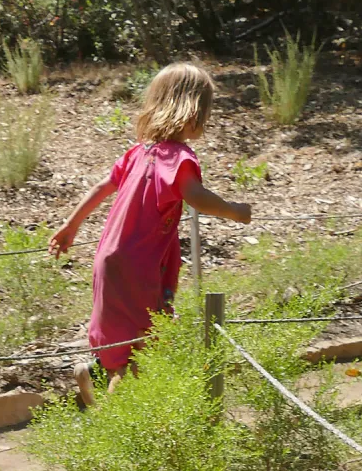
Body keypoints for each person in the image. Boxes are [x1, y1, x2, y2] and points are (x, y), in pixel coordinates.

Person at [48, 62, 251, 404]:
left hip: (108, 259)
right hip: (140, 267)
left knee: (122, 341)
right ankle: (117, 426)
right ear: (193, 112)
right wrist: (234, 211)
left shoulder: (137, 153)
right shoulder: (180, 157)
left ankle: (95, 373)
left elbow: (103, 186)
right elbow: (195, 196)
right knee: (141, 354)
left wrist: (71, 226)